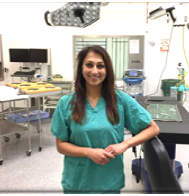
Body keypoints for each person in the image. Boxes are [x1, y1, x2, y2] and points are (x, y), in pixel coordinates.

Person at [51, 45, 160, 194]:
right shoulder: (66, 103)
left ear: (107, 70)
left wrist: (125, 144)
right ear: (81, 69)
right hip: (78, 181)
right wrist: (88, 152)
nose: (94, 71)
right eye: (89, 65)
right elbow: (61, 145)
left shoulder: (121, 100)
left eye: (100, 66)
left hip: (109, 181)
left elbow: (153, 128)